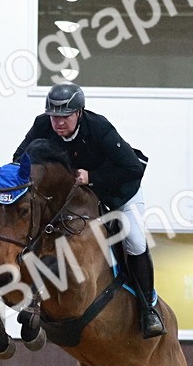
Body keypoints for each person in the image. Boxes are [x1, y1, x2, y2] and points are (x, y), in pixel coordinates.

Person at [13, 83, 164, 338]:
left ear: (79, 113)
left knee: (136, 241)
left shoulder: (99, 128)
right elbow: (20, 158)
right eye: (54, 116)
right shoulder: (42, 126)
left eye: (65, 116)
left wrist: (91, 177)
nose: (58, 122)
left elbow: (132, 168)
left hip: (117, 192)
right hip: (77, 199)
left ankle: (147, 306)